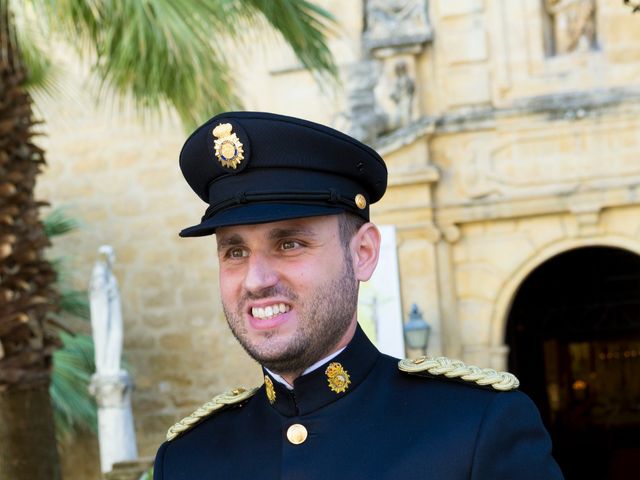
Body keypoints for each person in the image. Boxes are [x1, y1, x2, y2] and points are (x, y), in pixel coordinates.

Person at [153, 111, 563, 479]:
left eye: (290, 244)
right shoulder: (186, 459)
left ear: (363, 254)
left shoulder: (476, 428)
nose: (256, 279)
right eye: (235, 251)